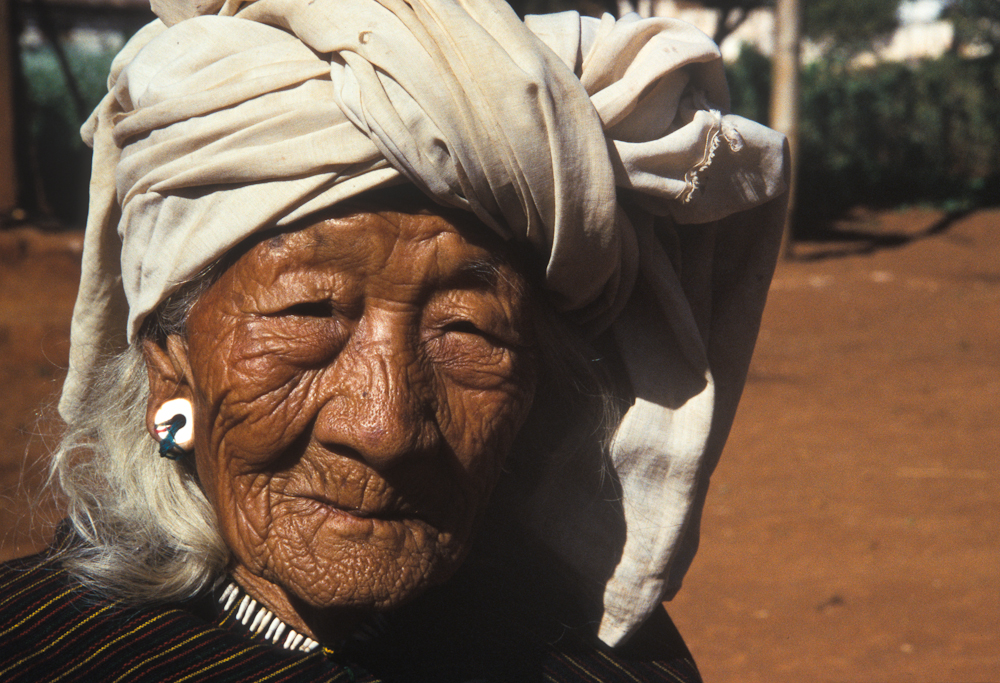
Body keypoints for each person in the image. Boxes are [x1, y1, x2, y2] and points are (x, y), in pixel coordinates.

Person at [0, 0, 788, 679]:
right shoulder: (37, 649)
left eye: (468, 329)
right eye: (308, 314)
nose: (385, 427)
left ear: (539, 385)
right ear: (172, 370)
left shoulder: (599, 663)